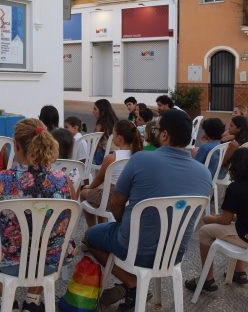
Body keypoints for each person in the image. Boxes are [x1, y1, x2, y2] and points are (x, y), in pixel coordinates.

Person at [87, 110, 212, 310]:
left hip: (134, 249)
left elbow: (117, 203)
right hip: (174, 253)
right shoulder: (204, 173)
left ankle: (132, 284)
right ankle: (133, 286)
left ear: (164, 135)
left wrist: (121, 223)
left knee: (91, 236)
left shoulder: (141, 160)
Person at [0, 118, 77, 312]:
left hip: (7, 261)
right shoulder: (63, 180)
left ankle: (9, 301)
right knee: (56, 243)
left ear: (16, 145)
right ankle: (33, 299)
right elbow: (69, 224)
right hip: (49, 262)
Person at [185, 148, 248, 292]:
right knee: (238, 223)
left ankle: (207, 279)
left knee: (205, 231)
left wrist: (208, 218)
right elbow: (246, 215)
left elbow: (224, 220)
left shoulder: (235, 187)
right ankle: (239, 271)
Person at [80, 120, 142, 228]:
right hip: (130, 197)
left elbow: (99, 179)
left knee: (84, 193)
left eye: (113, 133)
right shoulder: (139, 154)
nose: (112, 136)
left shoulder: (112, 157)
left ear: (119, 138)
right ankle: (101, 226)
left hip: (112, 198)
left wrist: (88, 186)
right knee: (98, 194)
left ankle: (92, 228)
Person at [92, 99, 118, 165]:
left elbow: (95, 145)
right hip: (117, 155)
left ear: (102, 111)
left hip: (105, 157)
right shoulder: (115, 122)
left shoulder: (100, 125)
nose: (92, 112)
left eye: (95, 109)